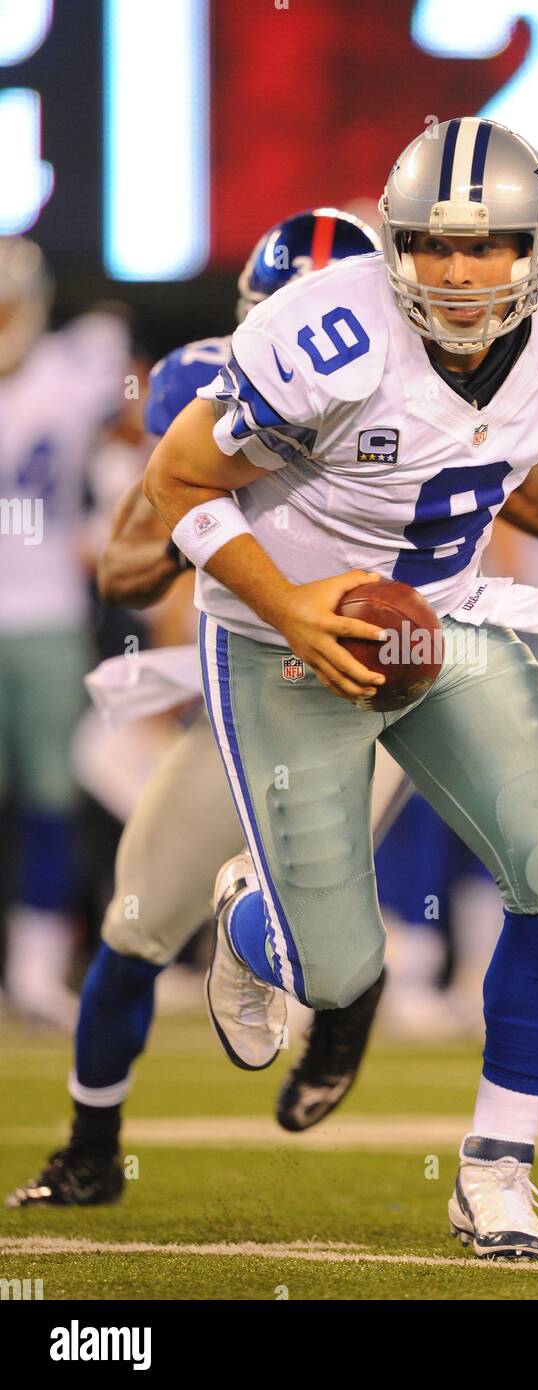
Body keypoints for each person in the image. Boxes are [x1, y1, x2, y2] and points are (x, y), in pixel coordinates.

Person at [144, 118, 538, 1262]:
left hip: (442, 619)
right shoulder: (322, 336)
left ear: (537, 245)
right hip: (281, 633)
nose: (458, 273)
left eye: (486, 248)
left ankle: (496, 1175)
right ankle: (254, 921)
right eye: (429, 246)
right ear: (393, 244)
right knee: (342, 972)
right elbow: (176, 480)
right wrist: (287, 608)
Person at [6, 207, 538, 1210]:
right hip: (253, 681)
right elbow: (128, 568)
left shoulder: (435, 380)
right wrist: (206, 519)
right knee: (138, 917)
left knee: (331, 894)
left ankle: (345, 999)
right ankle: (90, 1145)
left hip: (371, 685)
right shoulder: (208, 394)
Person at [0, 237, 129, 1029]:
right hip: (37, 616)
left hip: (47, 617)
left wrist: (108, 523)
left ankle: (37, 970)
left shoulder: (77, 370)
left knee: (51, 798)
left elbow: (151, 438)